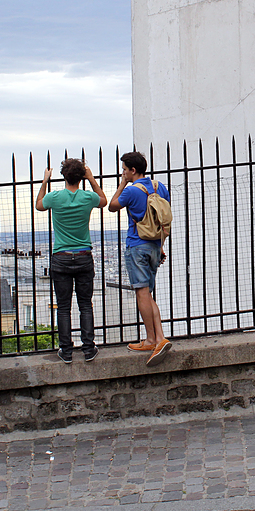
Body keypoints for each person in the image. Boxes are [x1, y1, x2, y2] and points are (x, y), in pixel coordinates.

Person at [36, 158, 107, 363]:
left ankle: (66, 351)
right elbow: (103, 201)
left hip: (61, 257)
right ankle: (88, 348)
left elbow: (38, 205)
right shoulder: (87, 197)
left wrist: (44, 182)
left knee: (64, 306)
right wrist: (92, 179)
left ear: (63, 176)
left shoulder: (55, 197)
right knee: (85, 304)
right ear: (81, 177)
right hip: (84, 255)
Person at [109, 151, 173, 366]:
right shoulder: (159, 187)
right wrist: (161, 247)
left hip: (137, 245)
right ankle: (159, 337)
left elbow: (112, 205)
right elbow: (163, 219)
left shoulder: (131, 191)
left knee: (141, 293)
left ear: (132, 170)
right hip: (156, 245)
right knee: (148, 294)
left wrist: (122, 184)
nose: (124, 173)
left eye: (125, 170)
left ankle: (151, 339)